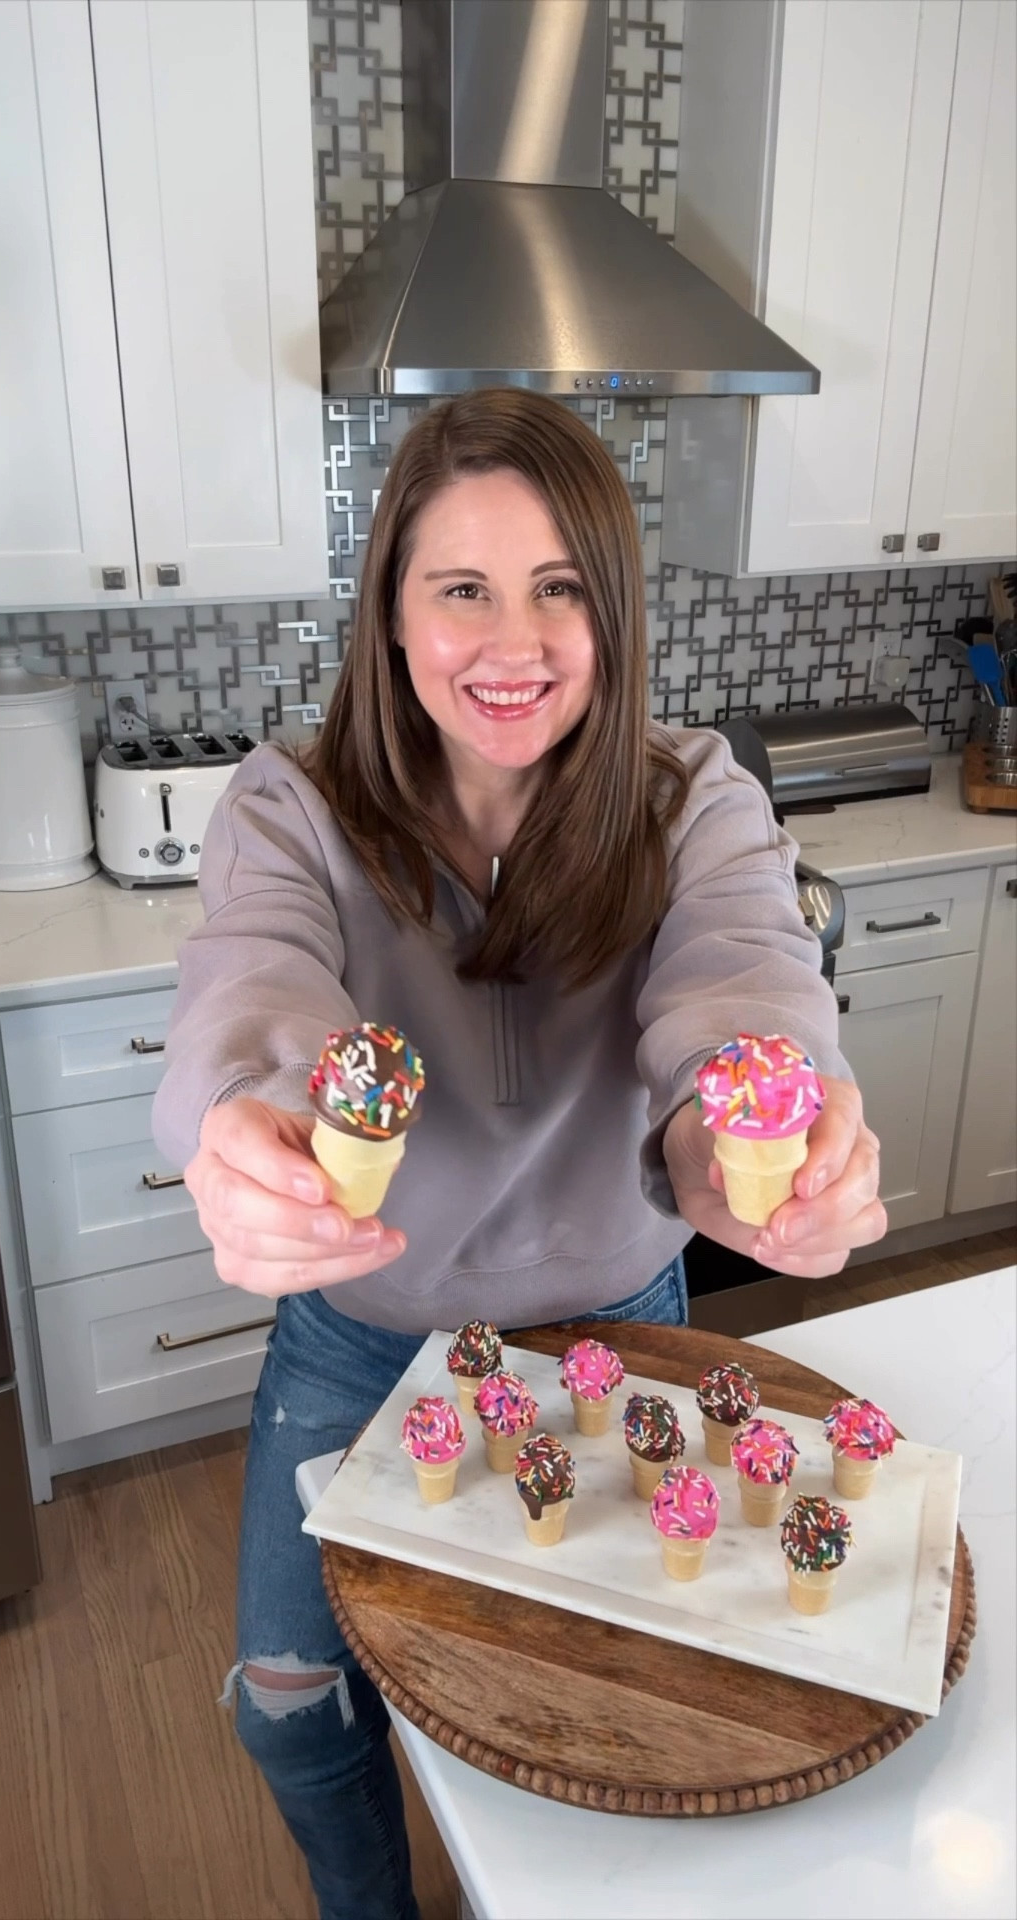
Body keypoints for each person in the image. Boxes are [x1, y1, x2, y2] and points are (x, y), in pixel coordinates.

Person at [153, 388, 885, 1920]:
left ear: (611, 609)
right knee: (290, 1702)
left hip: (620, 1328)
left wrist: (761, 1139)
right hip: (363, 1346)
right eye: (462, 588)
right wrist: (249, 1115)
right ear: (393, 613)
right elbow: (258, 983)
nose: (516, 641)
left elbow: (742, 986)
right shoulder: (292, 810)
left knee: (621, 1707)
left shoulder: (694, 801)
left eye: (561, 588)